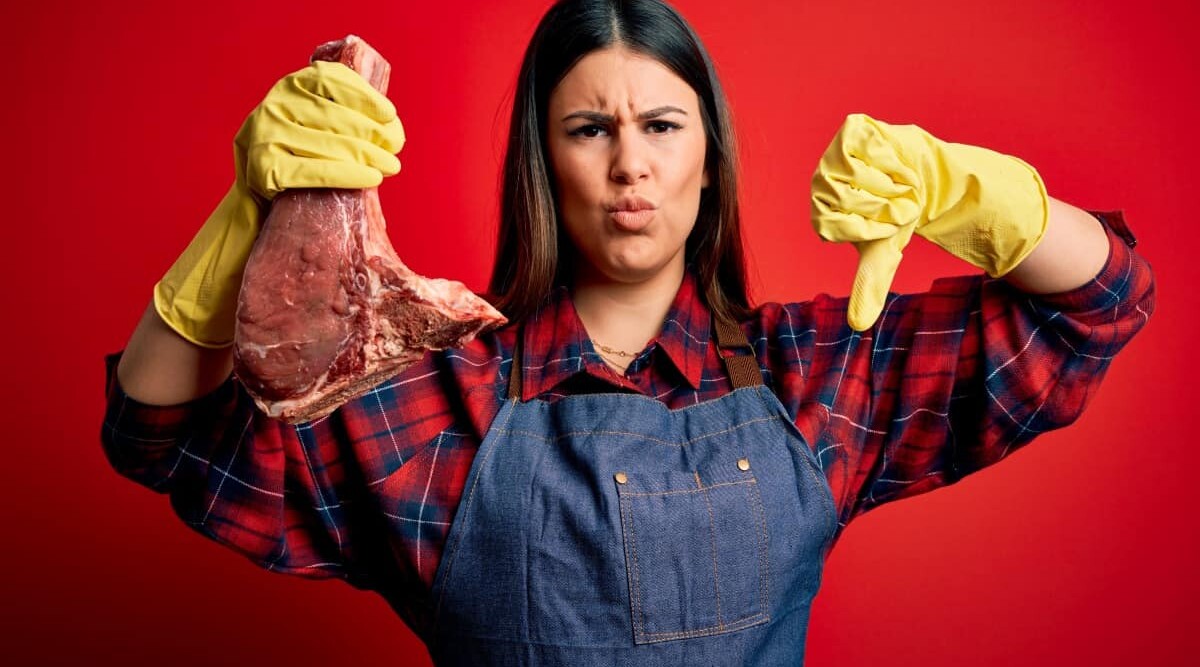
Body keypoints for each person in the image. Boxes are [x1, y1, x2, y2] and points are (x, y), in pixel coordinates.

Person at [101, 0, 1155, 665]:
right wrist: (244, 228)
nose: (630, 166)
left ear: (710, 158)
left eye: (661, 126)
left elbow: (1100, 304)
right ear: (542, 164)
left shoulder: (814, 376)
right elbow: (164, 437)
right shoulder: (432, 399)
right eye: (588, 128)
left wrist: (979, 197)